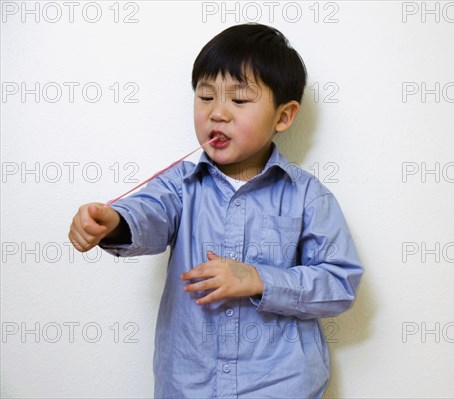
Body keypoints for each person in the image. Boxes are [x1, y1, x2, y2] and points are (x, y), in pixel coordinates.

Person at [68, 23, 363, 398]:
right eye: (205, 97)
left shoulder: (309, 197)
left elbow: (339, 284)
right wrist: (112, 223)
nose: (217, 113)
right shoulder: (179, 184)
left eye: (239, 101)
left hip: (280, 386)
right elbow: (148, 212)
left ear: (284, 117)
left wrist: (260, 279)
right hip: (188, 384)